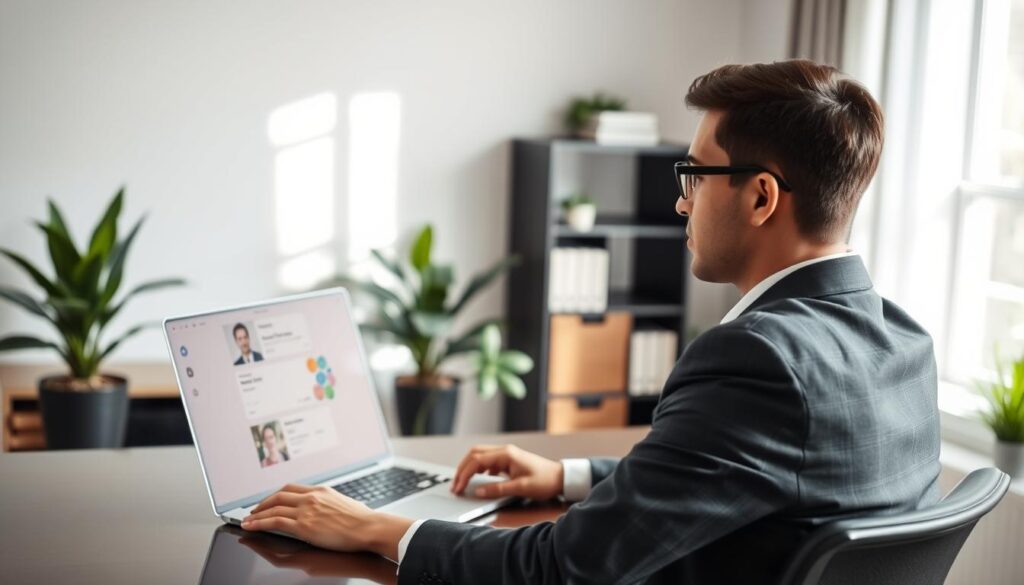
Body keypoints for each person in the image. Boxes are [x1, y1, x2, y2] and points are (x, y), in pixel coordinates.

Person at [239, 60, 941, 584]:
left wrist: (375, 526)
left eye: (694, 175)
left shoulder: (757, 358)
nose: (679, 204)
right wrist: (569, 474)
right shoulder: (902, 339)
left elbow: (563, 569)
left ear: (760, 197)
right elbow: (745, 474)